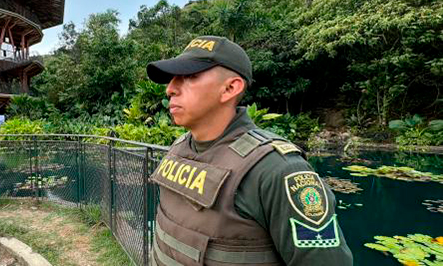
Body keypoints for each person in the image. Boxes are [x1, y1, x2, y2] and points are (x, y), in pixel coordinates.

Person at [146, 36, 353, 265]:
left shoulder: (277, 170)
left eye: (190, 76)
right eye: (173, 79)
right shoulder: (178, 149)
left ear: (230, 88)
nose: (170, 89)